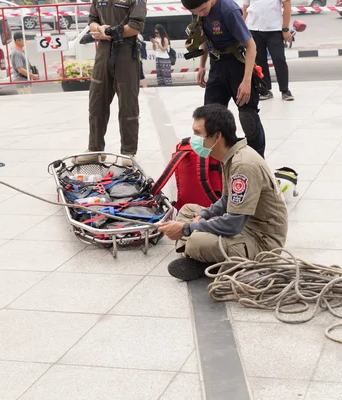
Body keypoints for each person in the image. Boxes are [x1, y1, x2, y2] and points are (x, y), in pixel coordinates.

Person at [158, 104, 288, 281]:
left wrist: (188, 228)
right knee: (188, 210)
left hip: (262, 240)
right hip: (245, 226)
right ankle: (201, 256)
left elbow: (233, 224)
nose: (192, 139)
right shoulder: (229, 156)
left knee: (196, 240)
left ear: (217, 136)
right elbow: (226, 200)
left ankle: (200, 256)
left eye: (198, 134)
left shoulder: (243, 165)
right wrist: (203, 215)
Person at [181, 0, 267, 158]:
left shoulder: (228, 10)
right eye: (196, 12)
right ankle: (219, 164)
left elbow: (251, 45)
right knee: (209, 120)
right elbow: (205, 38)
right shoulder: (198, 10)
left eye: (203, 9)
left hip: (237, 66)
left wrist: (246, 81)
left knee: (248, 118)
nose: (201, 13)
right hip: (217, 66)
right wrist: (202, 65)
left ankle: (257, 162)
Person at [75, 0, 147, 166]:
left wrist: (110, 32)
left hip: (126, 53)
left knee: (128, 104)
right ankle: (95, 149)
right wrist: (98, 29)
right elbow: (92, 20)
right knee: (96, 102)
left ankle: (128, 152)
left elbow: (136, 26)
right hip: (103, 52)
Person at [242, 0, 294, 101]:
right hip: (254, 29)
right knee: (259, 62)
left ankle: (285, 90)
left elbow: (287, 5)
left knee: (279, 59)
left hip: (274, 30)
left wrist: (285, 29)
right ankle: (265, 90)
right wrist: (240, 29)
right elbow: (245, 9)